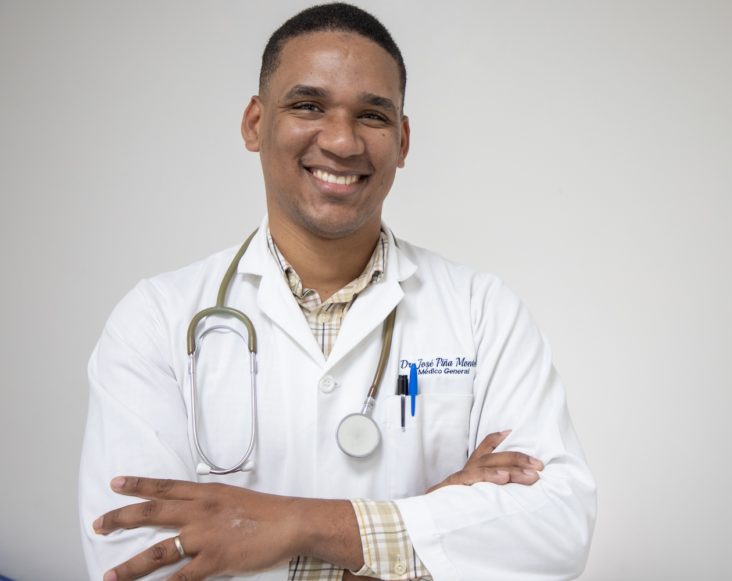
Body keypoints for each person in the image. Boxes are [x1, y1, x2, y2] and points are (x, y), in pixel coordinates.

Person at [79, 4, 596, 580]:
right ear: (255, 123)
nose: (342, 141)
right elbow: (134, 563)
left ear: (401, 141)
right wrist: (431, 519)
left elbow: (557, 528)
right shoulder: (155, 319)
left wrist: (293, 525)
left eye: (372, 116)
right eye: (308, 106)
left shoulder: (483, 311)